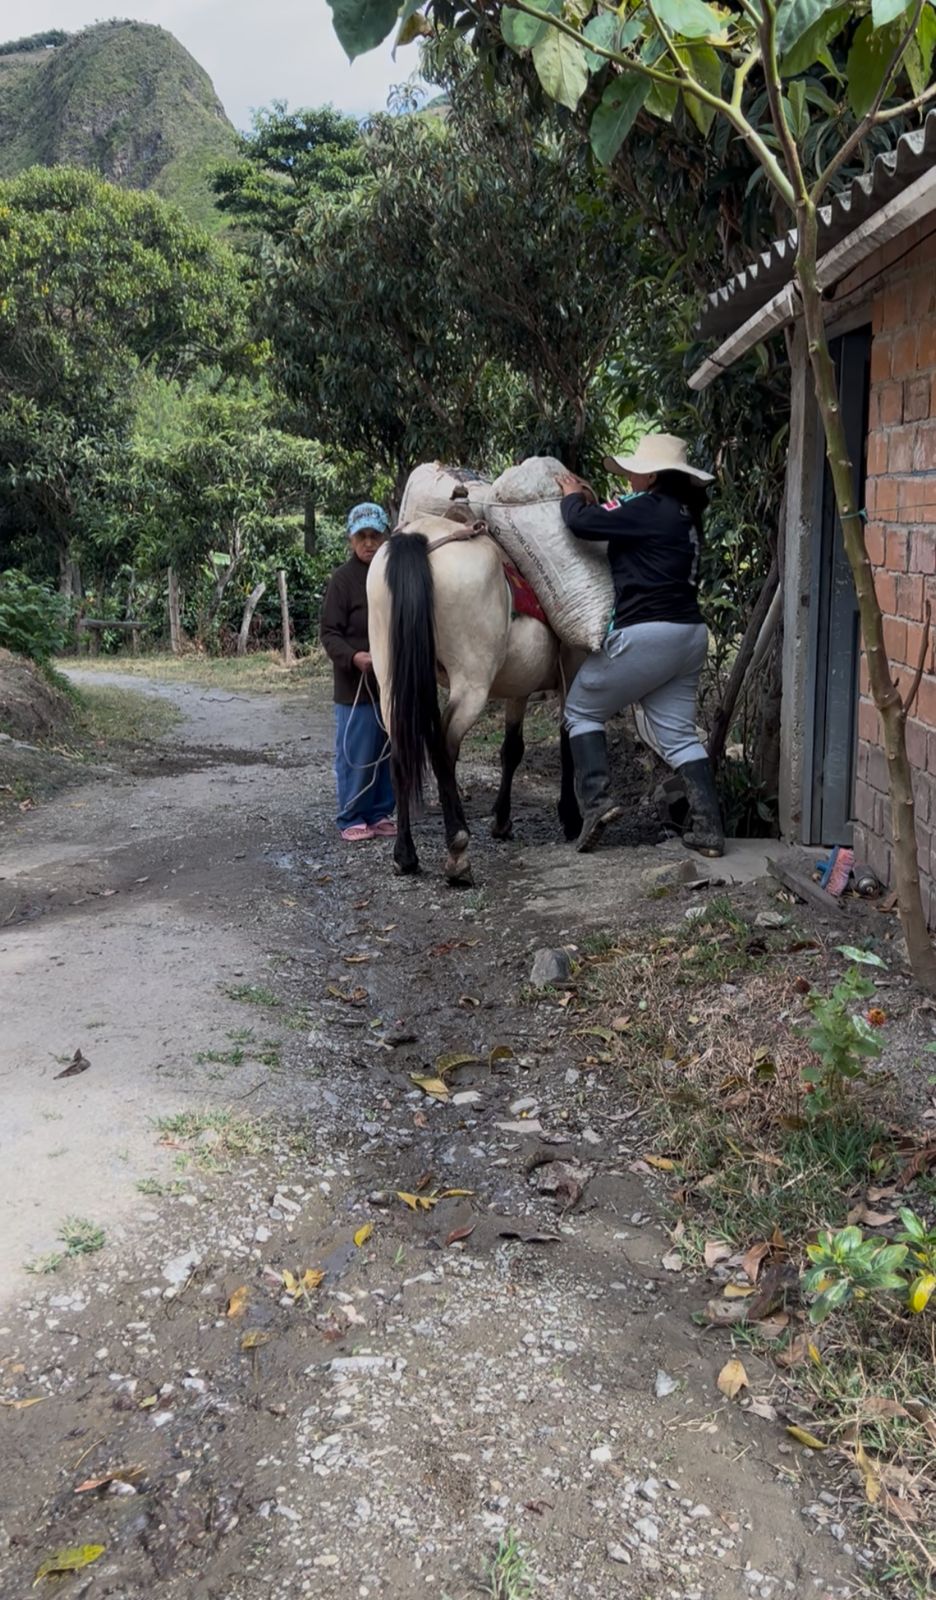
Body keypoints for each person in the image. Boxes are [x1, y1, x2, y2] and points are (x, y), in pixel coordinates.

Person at [556, 432, 724, 858]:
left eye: (634, 470)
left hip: (648, 632)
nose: (629, 477)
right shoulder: (686, 514)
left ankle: (596, 804)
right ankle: (708, 829)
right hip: (689, 636)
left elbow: (581, 524)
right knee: (680, 737)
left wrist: (572, 497)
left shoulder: (646, 507)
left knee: (580, 710)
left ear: (651, 475)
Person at [320, 502, 396, 842]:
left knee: (386, 751)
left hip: (388, 682)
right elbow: (330, 634)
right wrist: (354, 658)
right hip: (355, 685)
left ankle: (380, 813)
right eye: (361, 537)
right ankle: (351, 816)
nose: (368, 544)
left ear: (386, 538)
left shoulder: (394, 575)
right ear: (351, 541)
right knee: (356, 753)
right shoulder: (342, 580)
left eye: (375, 536)